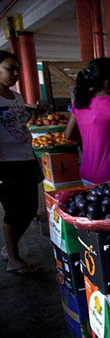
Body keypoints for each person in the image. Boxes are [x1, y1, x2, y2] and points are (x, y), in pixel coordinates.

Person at [0, 50, 41, 274]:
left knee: (29, 209)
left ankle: (9, 247)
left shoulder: (15, 96)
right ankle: (13, 259)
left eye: (18, 68)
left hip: (25, 159)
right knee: (14, 211)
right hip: (6, 164)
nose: (15, 73)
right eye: (9, 68)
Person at [65, 57, 110, 185]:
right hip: (109, 174)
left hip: (86, 171)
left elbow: (68, 135)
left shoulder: (79, 103)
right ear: (106, 82)